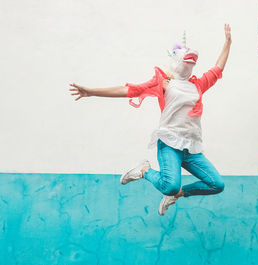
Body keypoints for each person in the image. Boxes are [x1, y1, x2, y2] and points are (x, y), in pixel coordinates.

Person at [69, 24, 232, 216]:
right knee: (169, 185)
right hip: (170, 143)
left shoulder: (198, 85)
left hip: (191, 148)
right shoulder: (163, 83)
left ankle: (177, 194)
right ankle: (144, 170)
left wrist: (228, 42)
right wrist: (91, 92)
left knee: (216, 185)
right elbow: (128, 90)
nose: (188, 64)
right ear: (174, 61)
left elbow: (218, 68)